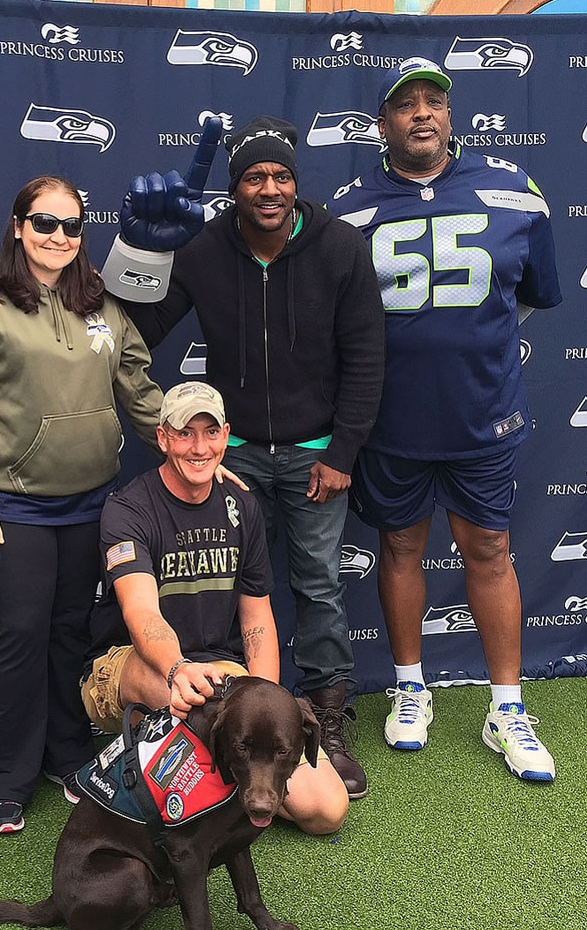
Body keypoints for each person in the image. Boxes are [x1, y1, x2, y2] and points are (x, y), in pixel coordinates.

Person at [98, 116, 385, 800]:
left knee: (317, 583)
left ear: (295, 185)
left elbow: (367, 357)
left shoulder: (340, 246)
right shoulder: (203, 249)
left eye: (280, 176)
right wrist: (145, 251)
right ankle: (220, 717)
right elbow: (140, 326)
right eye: (254, 177)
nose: (268, 188)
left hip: (317, 452)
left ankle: (323, 721)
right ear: (233, 189)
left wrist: (342, 450)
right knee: (224, 586)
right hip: (235, 455)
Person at [330, 58, 562, 781]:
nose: (421, 114)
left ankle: (505, 707)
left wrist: (463, 343)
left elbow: (529, 298)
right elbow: (337, 320)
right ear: (383, 124)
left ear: (450, 114)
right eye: (405, 106)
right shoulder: (346, 205)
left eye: (433, 101)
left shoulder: (513, 189)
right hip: (391, 419)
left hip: (481, 413)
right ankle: (409, 688)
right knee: (399, 546)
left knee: (487, 550)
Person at [0, 176, 164, 834]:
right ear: (16, 226)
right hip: (13, 507)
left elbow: (141, 393)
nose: (57, 237)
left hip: (92, 505)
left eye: (70, 227)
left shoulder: (103, 304)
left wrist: (196, 451)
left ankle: (68, 756)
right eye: (43, 223)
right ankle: (5, 776)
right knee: (19, 636)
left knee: (73, 633)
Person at [81, 381, 350, 835]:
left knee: (327, 810)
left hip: (222, 676)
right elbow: (142, 615)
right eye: (185, 434)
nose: (199, 447)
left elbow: (257, 618)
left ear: (226, 435)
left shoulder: (240, 504)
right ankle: (172, 770)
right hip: (129, 667)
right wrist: (177, 669)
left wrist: (264, 701)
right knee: (182, 692)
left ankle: (211, 779)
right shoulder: (129, 509)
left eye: (210, 433)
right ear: (163, 438)